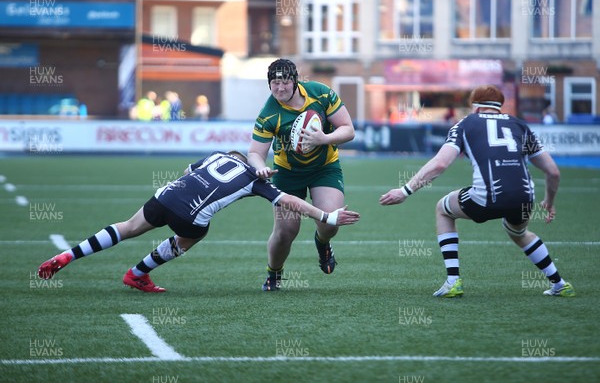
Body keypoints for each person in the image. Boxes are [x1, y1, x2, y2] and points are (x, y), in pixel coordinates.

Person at [37, 151, 360, 292]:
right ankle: (137, 273)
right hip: (191, 216)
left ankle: (68, 254)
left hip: (166, 195)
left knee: (127, 227)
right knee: (190, 236)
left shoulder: (216, 156)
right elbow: (289, 200)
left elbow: (189, 172)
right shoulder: (255, 179)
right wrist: (327, 215)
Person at [380, 85, 575, 298]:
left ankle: (453, 281)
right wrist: (549, 200)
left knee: (443, 209)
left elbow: (440, 164)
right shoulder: (520, 125)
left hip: (487, 196)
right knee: (518, 232)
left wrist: (405, 191)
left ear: (476, 107)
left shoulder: (466, 123)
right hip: (524, 197)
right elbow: (553, 172)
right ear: (499, 107)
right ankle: (559, 283)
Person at [248, 58, 355, 291]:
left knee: (330, 221)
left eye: (285, 82)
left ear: (295, 81)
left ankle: (322, 242)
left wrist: (324, 139)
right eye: (275, 83)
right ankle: (274, 273)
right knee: (286, 232)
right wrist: (261, 168)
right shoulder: (269, 114)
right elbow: (255, 153)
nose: (280, 88)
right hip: (287, 174)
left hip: (324, 167)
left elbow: (348, 130)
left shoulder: (321, 93)